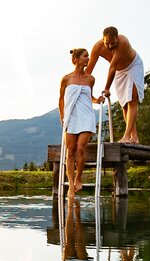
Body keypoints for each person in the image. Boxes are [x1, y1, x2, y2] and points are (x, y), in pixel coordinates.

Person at [58, 48, 104, 200]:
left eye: (88, 56)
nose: (88, 58)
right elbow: (61, 99)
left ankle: (78, 177)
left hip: (86, 116)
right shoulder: (66, 79)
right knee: (70, 151)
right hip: (71, 116)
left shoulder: (90, 79)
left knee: (80, 148)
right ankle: (71, 184)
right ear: (76, 59)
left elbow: (89, 97)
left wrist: (98, 100)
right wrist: (62, 116)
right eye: (85, 56)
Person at [85, 26, 144, 144]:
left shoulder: (123, 42)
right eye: (107, 43)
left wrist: (107, 88)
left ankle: (127, 136)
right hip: (119, 71)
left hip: (133, 66)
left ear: (117, 38)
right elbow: (89, 69)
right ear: (103, 39)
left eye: (113, 43)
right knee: (124, 104)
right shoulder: (97, 47)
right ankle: (134, 137)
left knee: (132, 100)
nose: (110, 46)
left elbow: (112, 67)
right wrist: (79, 80)